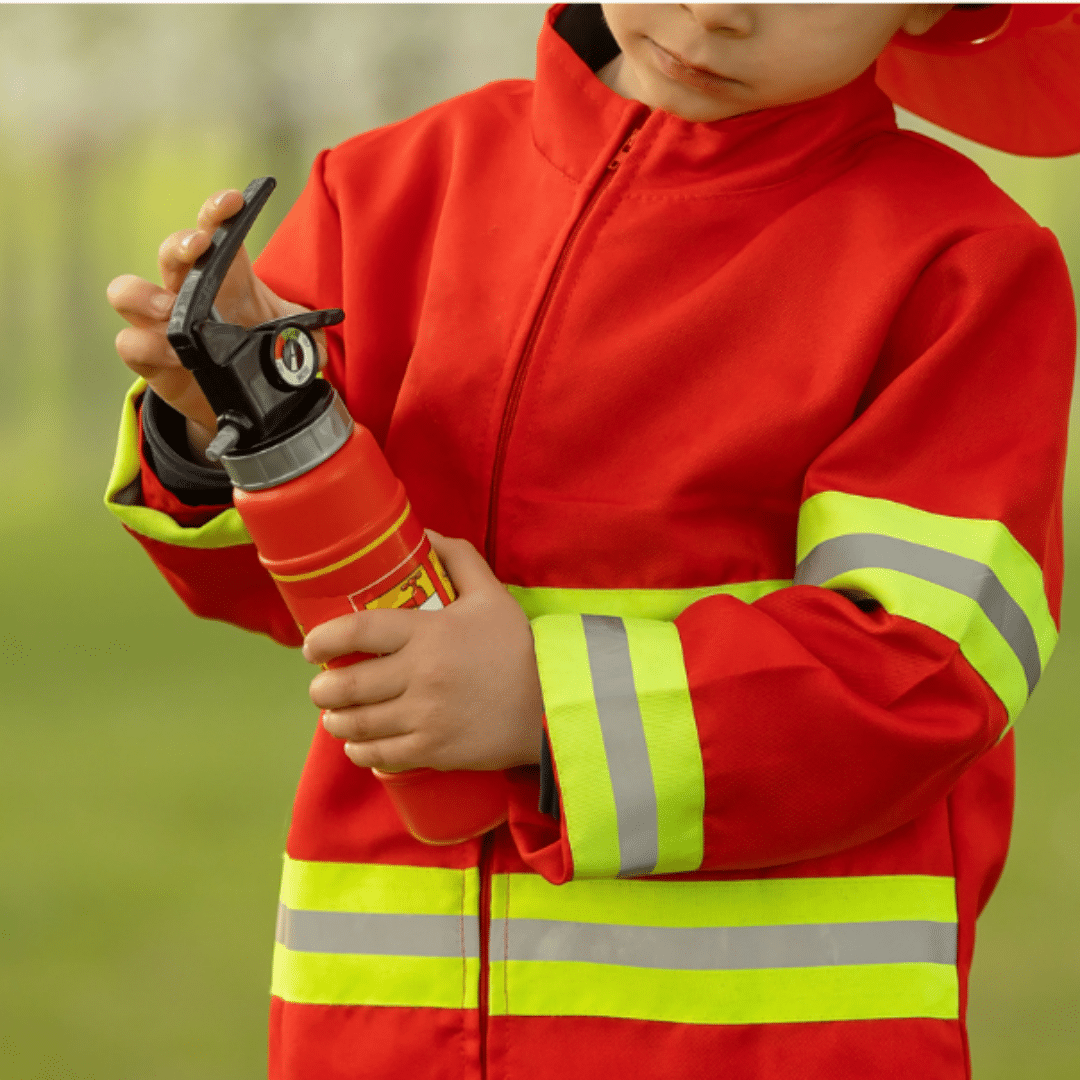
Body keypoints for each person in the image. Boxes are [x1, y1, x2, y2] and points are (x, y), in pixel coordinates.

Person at [105, 5, 1078, 1079]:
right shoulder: (386, 192)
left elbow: (921, 673)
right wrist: (213, 429)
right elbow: (302, 600)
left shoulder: (959, 268)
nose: (718, 9)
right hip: (383, 1041)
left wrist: (543, 703)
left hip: (762, 1046)